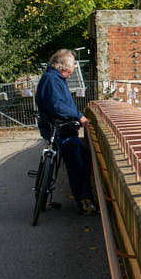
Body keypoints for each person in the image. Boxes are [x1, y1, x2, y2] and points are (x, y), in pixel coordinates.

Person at [35, 49, 96, 215]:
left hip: (62, 127)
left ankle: (86, 196)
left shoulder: (55, 78)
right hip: (59, 130)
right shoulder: (52, 81)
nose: (70, 75)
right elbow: (58, 107)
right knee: (76, 161)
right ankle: (83, 201)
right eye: (69, 72)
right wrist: (79, 117)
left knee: (84, 154)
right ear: (62, 67)